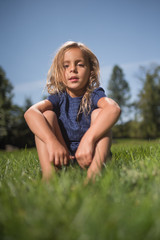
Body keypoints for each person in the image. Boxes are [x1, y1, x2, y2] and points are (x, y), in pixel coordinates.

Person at [24, 41, 121, 181]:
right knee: (46, 115)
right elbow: (30, 113)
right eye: (66, 66)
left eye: (80, 64)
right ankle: (50, 178)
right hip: (63, 157)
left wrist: (88, 140)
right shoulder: (58, 98)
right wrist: (52, 142)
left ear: (91, 71)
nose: (73, 69)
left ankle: (93, 178)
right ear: (59, 73)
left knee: (99, 113)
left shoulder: (95, 95)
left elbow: (113, 109)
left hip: (91, 156)